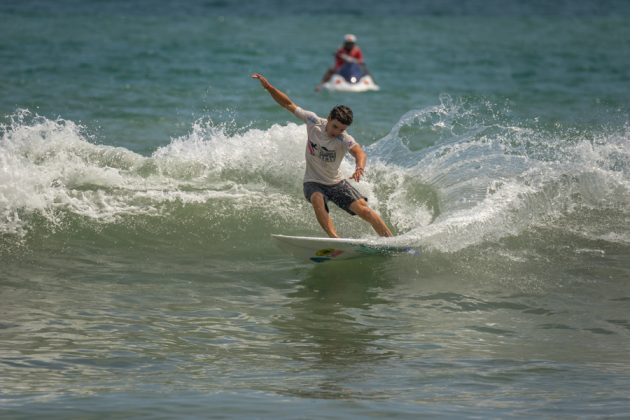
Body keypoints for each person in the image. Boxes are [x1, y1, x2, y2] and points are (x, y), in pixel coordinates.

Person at [251, 73, 393, 238]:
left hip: (337, 183)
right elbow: (288, 104)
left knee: (365, 211)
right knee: (317, 198)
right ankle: (335, 239)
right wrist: (269, 88)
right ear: (329, 118)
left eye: (342, 129)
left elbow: (359, 152)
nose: (337, 132)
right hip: (313, 182)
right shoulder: (313, 122)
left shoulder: (344, 138)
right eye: (335, 127)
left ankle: (392, 242)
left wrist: (359, 166)